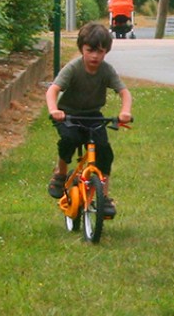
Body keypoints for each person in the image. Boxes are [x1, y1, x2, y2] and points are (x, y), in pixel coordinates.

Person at [45, 22, 133, 217]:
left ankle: (105, 196)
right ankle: (60, 174)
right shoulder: (73, 68)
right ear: (81, 49)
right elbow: (53, 90)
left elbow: (124, 92)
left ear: (106, 52)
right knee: (70, 140)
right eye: (90, 51)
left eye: (100, 52)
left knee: (104, 151)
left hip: (92, 115)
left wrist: (125, 111)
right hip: (68, 113)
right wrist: (54, 109)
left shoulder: (106, 70)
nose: (95, 56)